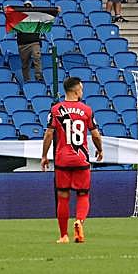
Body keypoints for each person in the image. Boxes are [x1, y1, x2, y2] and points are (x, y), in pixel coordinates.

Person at [41, 76, 104, 244]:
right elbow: (96, 135)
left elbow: (48, 133)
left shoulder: (56, 110)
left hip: (62, 159)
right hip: (81, 159)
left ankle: (63, 236)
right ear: (76, 91)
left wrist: (44, 155)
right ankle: (79, 221)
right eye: (81, 89)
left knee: (63, 196)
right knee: (83, 194)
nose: (82, 92)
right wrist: (99, 149)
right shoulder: (87, 110)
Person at [16, 0, 45, 82]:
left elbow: (48, 16)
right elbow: (9, 18)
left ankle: (38, 76)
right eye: (25, 6)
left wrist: (56, 11)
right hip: (23, 44)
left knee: (37, 57)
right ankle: (26, 80)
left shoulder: (37, 18)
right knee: (25, 64)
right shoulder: (18, 18)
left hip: (34, 42)